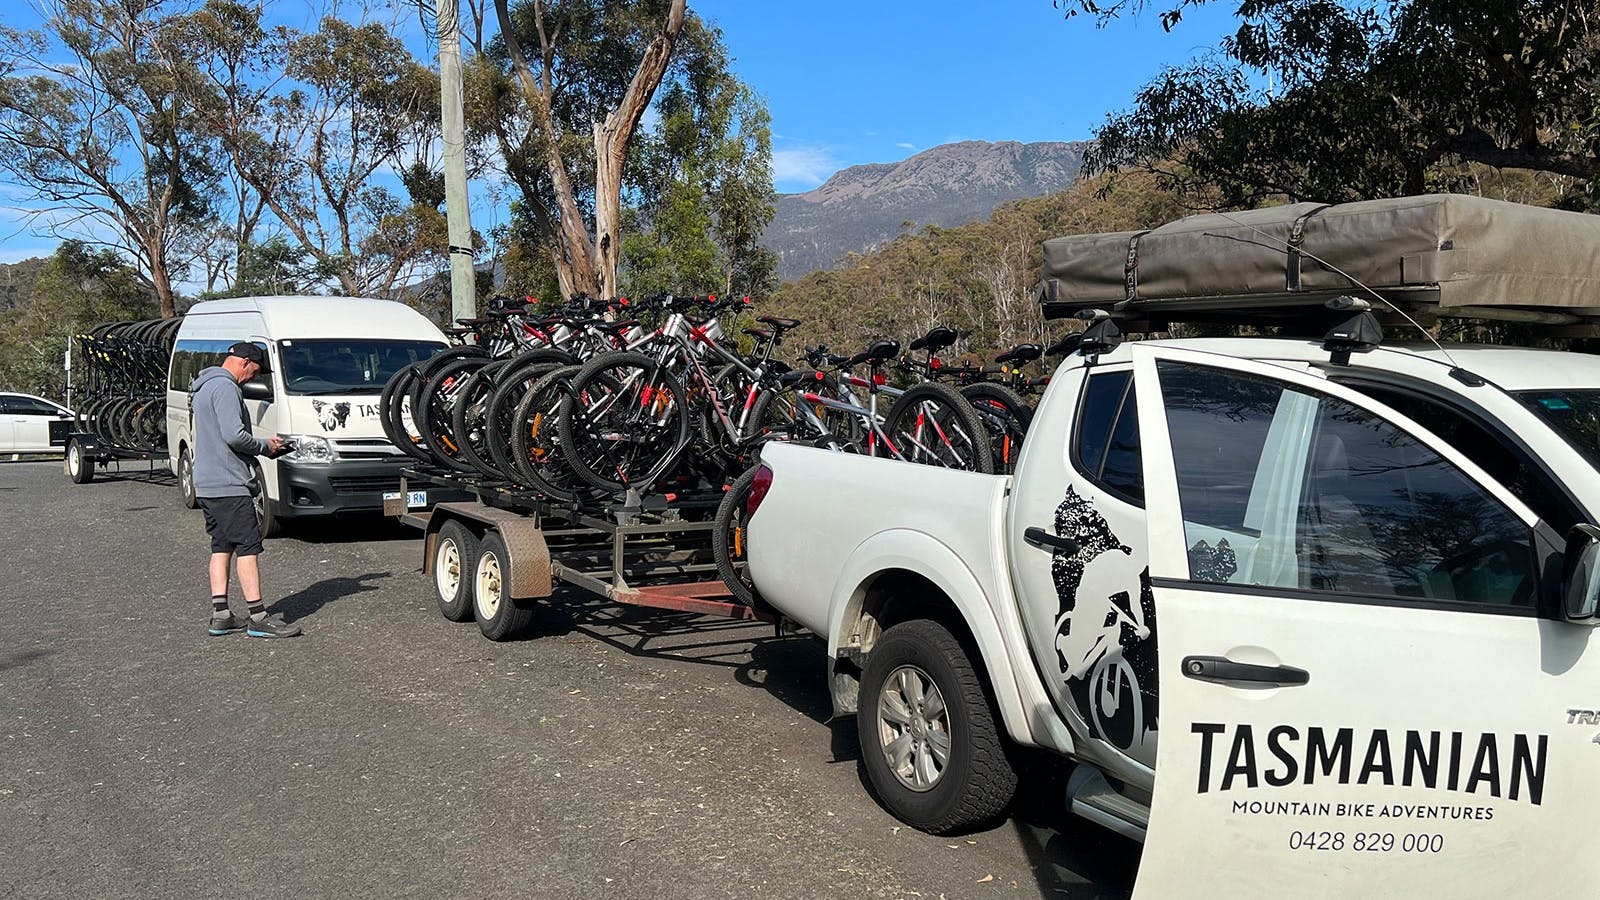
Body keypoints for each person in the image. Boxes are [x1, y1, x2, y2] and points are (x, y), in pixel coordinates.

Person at [190, 342, 301, 639]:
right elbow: (234, 436)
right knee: (249, 548)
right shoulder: (226, 388)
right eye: (255, 370)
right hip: (229, 483)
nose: (254, 377)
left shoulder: (202, 386)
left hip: (207, 482)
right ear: (244, 362)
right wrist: (267, 447)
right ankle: (259, 617)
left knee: (221, 546)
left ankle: (222, 615)